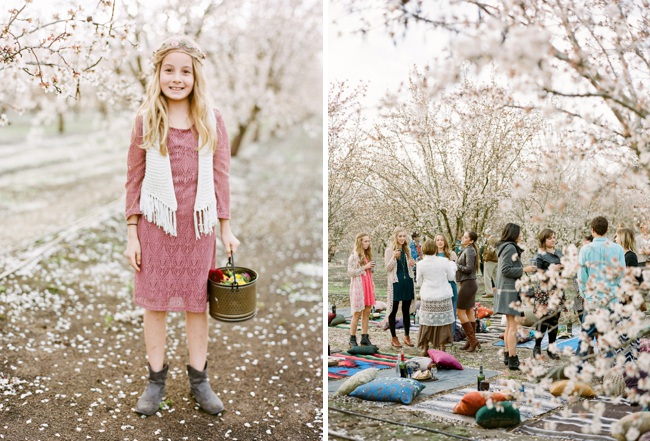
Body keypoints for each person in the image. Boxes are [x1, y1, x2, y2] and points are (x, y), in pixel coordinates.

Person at [125, 36, 239, 416]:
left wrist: (225, 228)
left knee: (196, 306)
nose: (177, 78)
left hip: (198, 228)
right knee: (154, 305)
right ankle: (155, 381)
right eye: (169, 70)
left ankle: (199, 380)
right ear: (158, 74)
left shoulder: (212, 118)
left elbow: (221, 176)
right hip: (156, 228)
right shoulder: (146, 119)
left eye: (184, 71)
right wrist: (131, 234)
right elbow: (133, 179)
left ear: (195, 76)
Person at [577, 216, 626, 359]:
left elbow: (582, 276)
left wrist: (585, 294)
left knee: (585, 337)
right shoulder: (617, 249)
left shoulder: (585, 249)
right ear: (607, 230)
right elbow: (621, 274)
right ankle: (608, 371)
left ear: (592, 231)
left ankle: (578, 369)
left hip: (593, 298)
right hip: (611, 298)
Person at [494, 223, 537, 370]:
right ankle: (513, 358)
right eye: (519, 233)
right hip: (509, 291)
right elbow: (506, 270)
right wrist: (524, 269)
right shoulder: (509, 247)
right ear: (512, 234)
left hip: (506, 289)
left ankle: (508, 354)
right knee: (513, 326)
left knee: (509, 325)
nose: (520, 235)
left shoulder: (504, 247)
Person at [416, 239, 457, 355]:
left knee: (426, 323)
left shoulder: (420, 264)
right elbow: (450, 277)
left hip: (428, 296)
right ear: (435, 249)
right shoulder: (444, 261)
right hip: (443, 295)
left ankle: (425, 347)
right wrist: (453, 267)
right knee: (443, 324)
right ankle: (442, 347)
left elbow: (418, 282)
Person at [532, 229, 565, 360]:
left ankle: (551, 348)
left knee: (555, 321)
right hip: (544, 291)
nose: (553, 239)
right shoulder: (540, 255)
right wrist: (552, 269)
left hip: (557, 289)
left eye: (554, 237)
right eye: (550, 238)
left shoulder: (559, 253)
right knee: (544, 320)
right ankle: (537, 346)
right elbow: (537, 275)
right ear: (543, 240)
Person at [385, 227, 416, 348]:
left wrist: (411, 264)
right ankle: (394, 337)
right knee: (393, 309)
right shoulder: (389, 250)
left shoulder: (407, 249)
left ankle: (407, 336)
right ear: (395, 237)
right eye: (400, 236)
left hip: (407, 282)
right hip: (396, 283)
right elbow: (387, 268)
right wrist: (393, 257)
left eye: (404, 236)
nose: (402, 238)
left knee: (406, 311)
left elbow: (408, 268)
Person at [347, 233, 376, 347]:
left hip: (368, 284)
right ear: (360, 242)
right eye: (365, 241)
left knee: (367, 311)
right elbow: (350, 272)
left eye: (369, 241)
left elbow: (368, 271)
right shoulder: (354, 256)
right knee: (357, 312)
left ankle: (365, 336)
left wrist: (370, 268)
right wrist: (364, 267)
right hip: (359, 286)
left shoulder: (367, 255)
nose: (368, 244)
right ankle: (352, 338)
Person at [456, 231, 481, 352]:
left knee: (460, 312)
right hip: (469, 283)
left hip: (468, 283)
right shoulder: (468, 249)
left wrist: (456, 265)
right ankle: (470, 340)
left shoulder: (470, 250)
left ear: (471, 241)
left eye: (465, 237)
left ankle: (472, 340)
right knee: (469, 311)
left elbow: (469, 268)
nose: (462, 238)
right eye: (463, 236)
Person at [434, 234, 458, 336]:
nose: (440, 242)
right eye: (438, 240)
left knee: (451, 310)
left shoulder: (451, 254)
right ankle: (439, 334)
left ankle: (451, 334)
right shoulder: (432, 255)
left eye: (442, 240)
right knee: (438, 311)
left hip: (450, 284)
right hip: (437, 286)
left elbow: (454, 270)